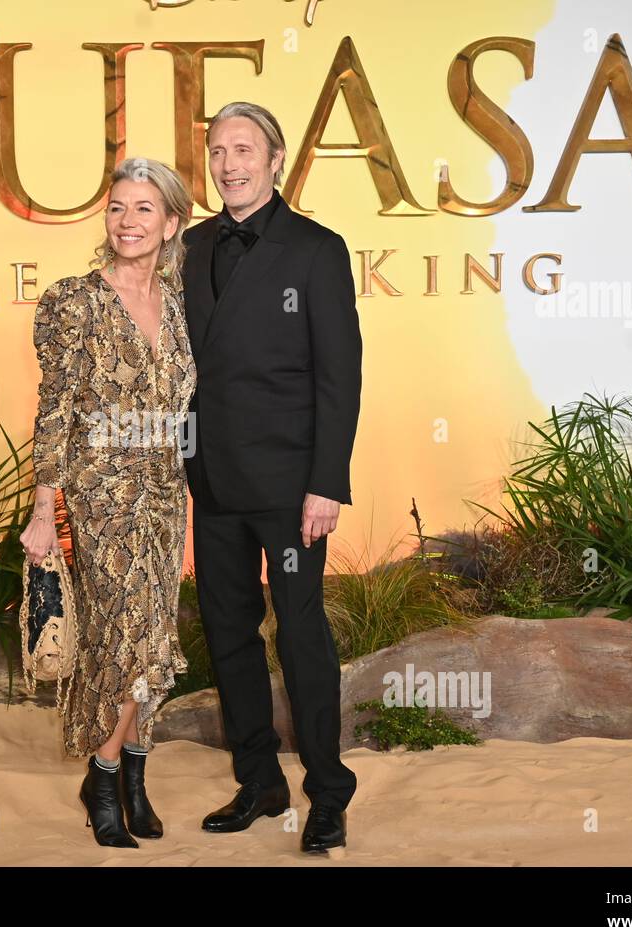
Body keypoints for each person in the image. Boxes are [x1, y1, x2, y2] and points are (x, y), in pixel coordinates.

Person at [181, 101, 362, 854]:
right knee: (228, 636)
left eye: (244, 149)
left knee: (302, 637)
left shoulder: (317, 249)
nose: (229, 164)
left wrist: (327, 483)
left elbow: (339, 376)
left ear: (277, 158)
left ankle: (328, 795)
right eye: (218, 150)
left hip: (291, 487)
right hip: (212, 480)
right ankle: (259, 783)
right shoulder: (188, 246)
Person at [20, 157, 197, 849]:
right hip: (101, 493)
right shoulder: (73, 300)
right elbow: (55, 410)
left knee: (156, 631)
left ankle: (134, 771)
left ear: (171, 222)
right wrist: (43, 511)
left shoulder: (182, 303)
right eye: (118, 207)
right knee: (130, 634)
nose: (128, 220)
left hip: (164, 492)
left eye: (144, 209)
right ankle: (101, 773)